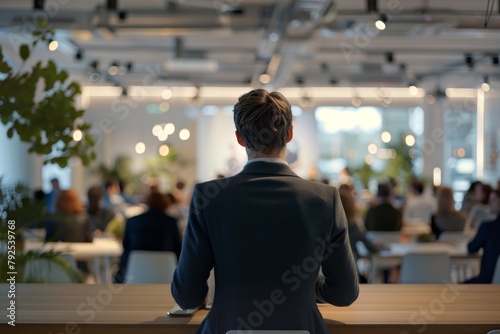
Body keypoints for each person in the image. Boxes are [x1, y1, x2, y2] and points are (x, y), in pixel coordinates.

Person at [171, 89, 359, 334]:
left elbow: (187, 296)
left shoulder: (209, 199)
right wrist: (307, 286)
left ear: (240, 138)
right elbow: (344, 293)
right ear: (290, 134)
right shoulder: (325, 199)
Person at [114, 191, 182, 284]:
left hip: (134, 273)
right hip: (167, 273)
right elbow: (178, 249)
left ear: (147, 202)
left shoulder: (132, 221)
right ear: (165, 203)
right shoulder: (171, 222)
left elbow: (126, 247)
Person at [339, 184, 378, 283]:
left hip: (327, 276)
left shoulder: (327, 227)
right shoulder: (353, 227)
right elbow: (372, 248)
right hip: (351, 275)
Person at [464, 189, 500, 283]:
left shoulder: (488, 227)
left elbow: (471, 248)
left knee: (458, 287)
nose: (489, 203)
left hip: (488, 281)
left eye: (494, 200)